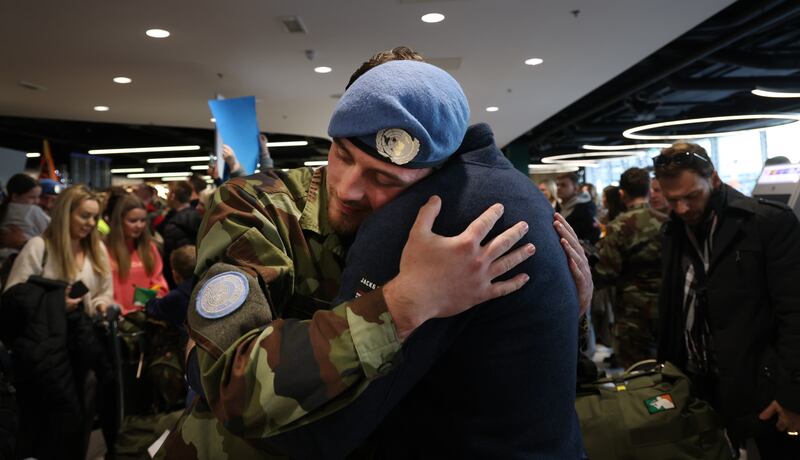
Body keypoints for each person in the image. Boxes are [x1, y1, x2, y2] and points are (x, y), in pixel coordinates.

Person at [157, 50, 591, 458]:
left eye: (385, 178)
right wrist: (402, 304)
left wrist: (561, 306)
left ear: (428, 178)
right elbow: (227, 382)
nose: (347, 189)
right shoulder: (254, 207)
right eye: (342, 154)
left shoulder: (430, 230)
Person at [654, 142, 800, 458]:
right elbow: (671, 310)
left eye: (691, 196)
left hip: (762, 389)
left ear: (715, 180)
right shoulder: (673, 232)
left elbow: (795, 313)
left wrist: (792, 396)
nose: (682, 209)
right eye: (672, 200)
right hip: (699, 387)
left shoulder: (766, 223)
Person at [2, 184, 114, 459]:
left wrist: (101, 305)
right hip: (46, 353)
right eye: (84, 216)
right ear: (66, 213)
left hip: (84, 349)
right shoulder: (39, 247)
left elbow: (104, 292)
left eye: (94, 217)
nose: (91, 223)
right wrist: (55, 304)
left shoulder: (97, 249)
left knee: (80, 423)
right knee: (47, 427)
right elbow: (13, 298)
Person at [593, 168, 667, 369]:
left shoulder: (618, 227)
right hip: (667, 308)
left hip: (632, 313)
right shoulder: (666, 223)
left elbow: (605, 272)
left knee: (638, 373)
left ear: (622, 194)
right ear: (648, 191)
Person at [107, 194, 169, 315]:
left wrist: (146, 301)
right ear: (120, 220)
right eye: (133, 221)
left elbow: (159, 282)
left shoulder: (149, 248)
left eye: (143, 220)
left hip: (143, 317)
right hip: (115, 317)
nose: (139, 225)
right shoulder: (105, 248)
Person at [0, 174, 51, 268]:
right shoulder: (33, 210)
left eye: (38, 197)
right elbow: (51, 230)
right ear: (15, 196)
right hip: (25, 260)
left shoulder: (4, 209)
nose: (37, 201)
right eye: (32, 197)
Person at [159, 181, 201, 289]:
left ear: (173, 196)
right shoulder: (202, 217)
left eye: (168, 193)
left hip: (179, 278)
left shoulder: (172, 224)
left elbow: (170, 256)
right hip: (200, 272)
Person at [146, 244, 195, 331]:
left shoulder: (176, 296)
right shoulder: (208, 287)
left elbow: (153, 309)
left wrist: (152, 299)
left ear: (175, 275)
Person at [557, 172, 600, 243]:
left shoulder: (585, 208)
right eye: (557, 185)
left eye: (563, 185)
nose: (558, 188)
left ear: (575, 188)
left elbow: (594, 235)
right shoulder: (559, 206)